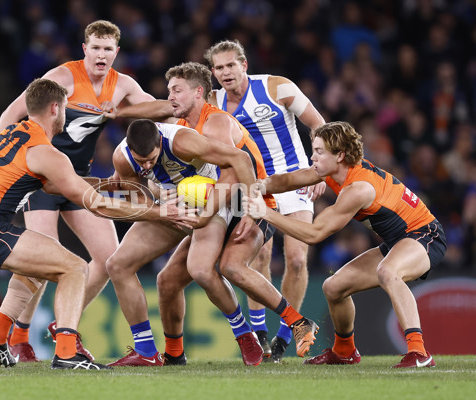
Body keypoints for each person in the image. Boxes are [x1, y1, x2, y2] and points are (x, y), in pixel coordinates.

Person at [0, 78, 196, 370]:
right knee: (75, 267)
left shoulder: (14, 134)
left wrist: (105, 183)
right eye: (66, 107)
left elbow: (54, 186)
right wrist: (160, 213)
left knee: (40, 265)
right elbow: (96, 204)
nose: (67, 114)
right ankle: (66, 352)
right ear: (55, 108)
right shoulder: (45, 151)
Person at [111, 62, 319, 366]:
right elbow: (136, 197)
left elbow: (236, 168)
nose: (169, 97)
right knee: (155, 277)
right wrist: (159, 208)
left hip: (235, 200)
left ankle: (267, 330)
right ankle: (163, 354)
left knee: (217, 268)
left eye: (176, 90)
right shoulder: (140, 147)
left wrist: (245, 211)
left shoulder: (205, 128)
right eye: (168, 91)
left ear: (198, 93)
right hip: (195, 203)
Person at [0, 20, 156, 362]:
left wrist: (124, 110)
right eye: (95, 47)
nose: (101, 54)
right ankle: (19, 337)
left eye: (107, 49)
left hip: (76, 178)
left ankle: (64, 326)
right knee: (41, 259)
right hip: (39, 179)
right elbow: (13, 110)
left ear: (116, 53)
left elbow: (154, 108)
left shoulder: (122, 84)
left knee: (110, 257)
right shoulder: (63, 77)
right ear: (84, 49)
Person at [243, 121, 447, 368]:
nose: (312, 156)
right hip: (399, 241)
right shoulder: (335, 171)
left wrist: (265, 212)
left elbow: (315, 233)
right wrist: (255, 186)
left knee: (388, 271)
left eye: (319, 151)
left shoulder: (358, 188)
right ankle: (344, 351)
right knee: (333, 287)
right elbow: (288, 180)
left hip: (425, 235)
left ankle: (419, 352)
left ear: (339, 155)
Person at [106, 118, 264, 367]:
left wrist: (252, 209)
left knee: (201, 271)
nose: (146, 166)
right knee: (117, 265)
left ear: (159, 142)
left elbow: (240, 159)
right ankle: (146, 350)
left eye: (151, 159)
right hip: (171, 207)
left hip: (208, 202)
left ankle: (245, 334)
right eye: (141, 161)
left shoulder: (182, 141)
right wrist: (159, 210)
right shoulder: (122, 158)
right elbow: (139, 198)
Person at [205, 39, 326, 362]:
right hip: (251, 186)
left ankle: (287, 333)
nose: (226, 72)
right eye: (219, 67)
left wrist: (322, 171)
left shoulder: (277, 87)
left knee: (297, 259)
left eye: (231, 65)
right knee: (256, 259)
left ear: (244, 65)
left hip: (294, 179)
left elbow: (318, 125)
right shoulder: (211, 101)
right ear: (213, 72)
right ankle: (260, 334)